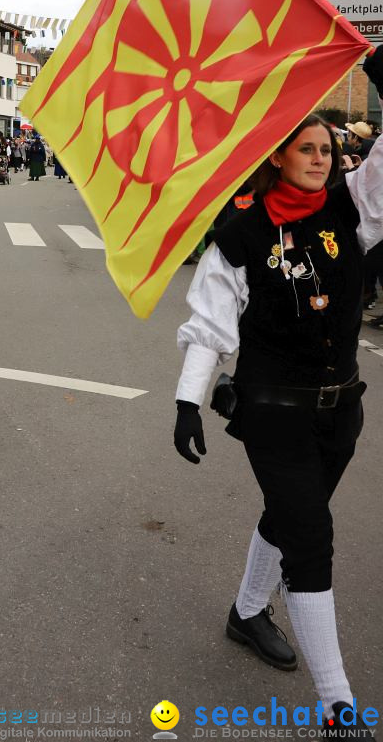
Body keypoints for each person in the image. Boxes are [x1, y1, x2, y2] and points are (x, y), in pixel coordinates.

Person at [173, 47, 383, 739]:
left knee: (293, 516)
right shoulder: (239, 237)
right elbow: (207, 326)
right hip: (273, 415)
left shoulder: (354, 212)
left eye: (327, 148)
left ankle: (245, 612)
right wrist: (187, 400)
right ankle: (338, 705)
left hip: (340, 412)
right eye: (306, 148)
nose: (321, 157)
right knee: (311, 539)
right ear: (278, 156)